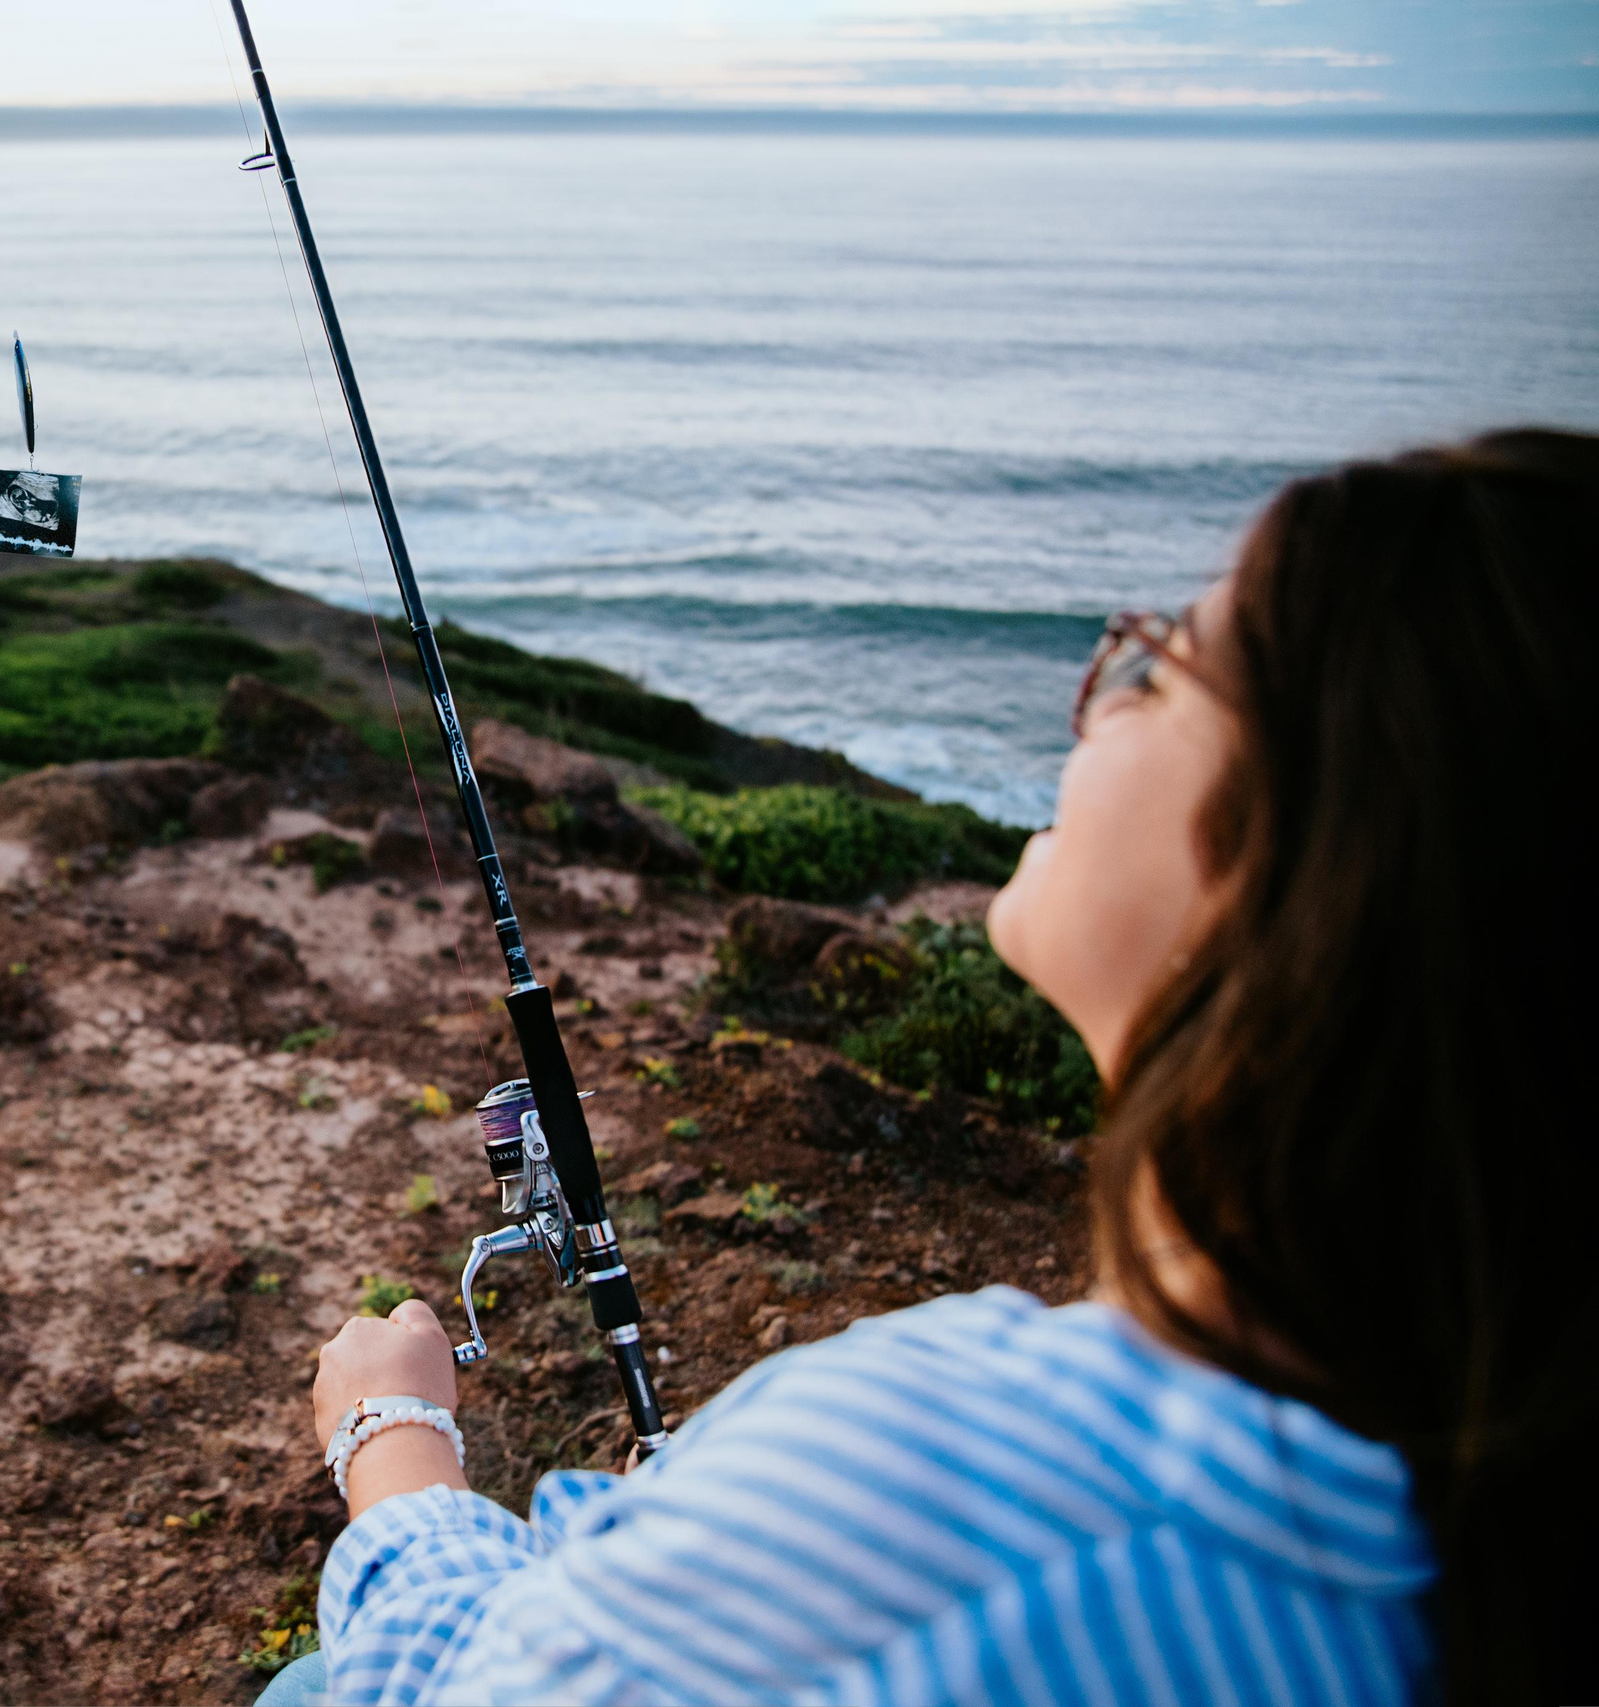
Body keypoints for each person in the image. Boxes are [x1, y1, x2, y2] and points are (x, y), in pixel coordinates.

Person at [262, 431, 1594, 1706]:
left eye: (1155, 665)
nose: (1094, 702)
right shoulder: (1476, 1474)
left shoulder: (972, 1476)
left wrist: (391, 1434)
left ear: (1323, 861)